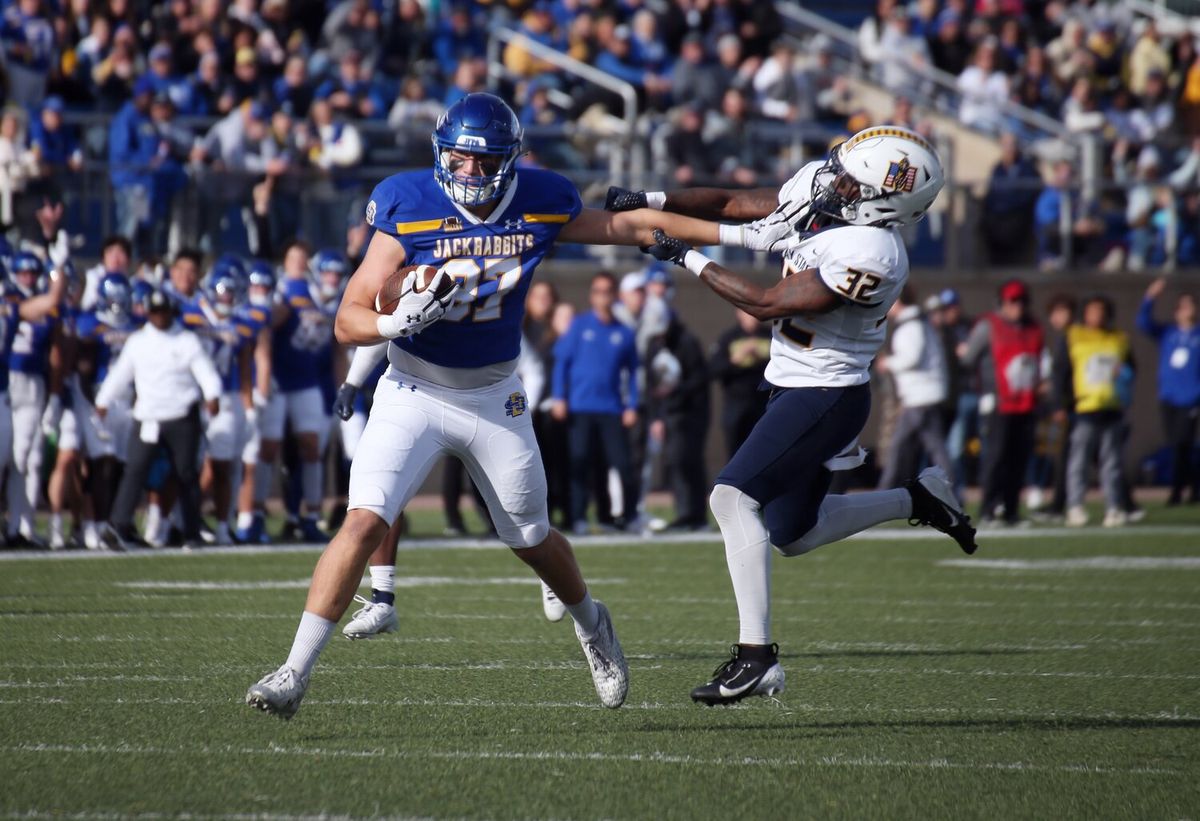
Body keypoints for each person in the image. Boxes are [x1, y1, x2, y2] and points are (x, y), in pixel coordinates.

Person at [245, 92, 767, 717]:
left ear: (510, 161)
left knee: (532, 539)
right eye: (458, 160)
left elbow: (626, 227)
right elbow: (347, 319)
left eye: (482, 162)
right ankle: (293, 673)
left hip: (494, 397)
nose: (468, 174)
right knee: (362, 523)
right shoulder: (407, 202)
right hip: (411, 389)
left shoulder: (540, 199)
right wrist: (393, 325)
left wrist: (741, 231)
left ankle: (593, 623)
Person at [615, 125, 976, 705]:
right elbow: (737, 204)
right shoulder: (828, 190)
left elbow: (764, 304)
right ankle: (918, 498)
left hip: (827, 394)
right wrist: (654, 199)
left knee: (730, 499)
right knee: (792, 533)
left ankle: (755, 657)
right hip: (788, 383)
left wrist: (685, 256)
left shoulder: (875, 254)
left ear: (883, 202)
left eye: (851, 181)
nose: (833, 182)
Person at [97, 289, 222, 550]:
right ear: (147, 313)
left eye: (163, 312)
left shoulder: (186, 340)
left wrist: (212, 394)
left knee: (186, 473)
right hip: (148, 416)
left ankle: (191, 531)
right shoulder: (138, 342)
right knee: (135, 469)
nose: (160, 317)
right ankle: (118, 525)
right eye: (155, 312)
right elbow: (121, 374)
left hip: (181, 415)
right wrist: (104, 400)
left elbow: (205, 371)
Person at [552, 272, 640, 535]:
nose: (603, 296)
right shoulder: (579, 326)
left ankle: (628, 516)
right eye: (598, 291)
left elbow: (634, 373)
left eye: (607, 291)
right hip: (580, 408)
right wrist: (559, 397)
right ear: (592, 295)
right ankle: (578, 517)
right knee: (580, 463)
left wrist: (632, 405)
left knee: (622, 464)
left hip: (611, 409)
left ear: (615, 295)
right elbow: (561, 365)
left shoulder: (623, 333)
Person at [961, 279, 1044, 527]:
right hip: (998, 402)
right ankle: (988, 508)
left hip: (1026, 402)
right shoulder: (989, 326)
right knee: (995, 458)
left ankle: (1011, 510)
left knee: (1018, 458)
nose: (1017, 306)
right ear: (1002, 303)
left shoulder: (1033, 328)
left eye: (1022, 301)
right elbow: (968, 359)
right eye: (1012, 301)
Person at [1056, 295, 1133, 528]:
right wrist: (1060, 403)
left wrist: (1124, 382)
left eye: (1101, 311)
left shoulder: (1119, 338)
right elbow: (1062, 372)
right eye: (1092, 311)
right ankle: (1075, 506)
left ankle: (1113, 506)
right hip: (1085, 407)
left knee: (1112, 462)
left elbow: (1130, 370)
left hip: (1111, 407)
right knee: (1078, 461)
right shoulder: (1074, 335)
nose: (1097, 316)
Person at [876, 285, 954, 490]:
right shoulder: (920, 322)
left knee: (899, 447)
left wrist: (888, 363)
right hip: (924, 396)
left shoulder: (910, 326)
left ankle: (884, 492)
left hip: (919, 398)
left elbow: (911, 358)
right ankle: (952, 490)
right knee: (933, 448)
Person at [1138, 279, 1200, 506]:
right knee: (1176, 445)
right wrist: (1150, 297)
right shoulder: (1168, 333)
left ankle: (1179, 490)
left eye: (1190, 306)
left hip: (1190, 398)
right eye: (1182, 306)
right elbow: (1143, 323)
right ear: (1176, 312)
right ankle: (1192, 486)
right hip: (1169, 397)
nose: (1187, 310)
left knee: (1184, 443)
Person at [710, 308, 771, 458]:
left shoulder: (770, 336)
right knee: (735, 452)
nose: (751, 317)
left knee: (763, 452)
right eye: (747, 312)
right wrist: (735, 359)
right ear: (739, 313)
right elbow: (713, 370)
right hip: (735, 405)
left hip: (763, 403)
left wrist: (760, 357)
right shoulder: (729, 338)